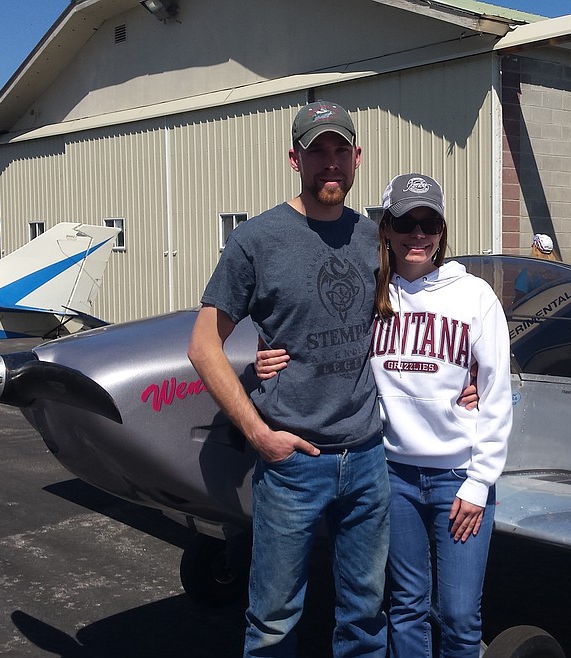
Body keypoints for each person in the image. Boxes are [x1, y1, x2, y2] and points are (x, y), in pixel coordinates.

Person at [258, 173, 512, 658]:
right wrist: (263, 355)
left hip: (459, 479)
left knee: (460, 617)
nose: (418, 234)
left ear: (441, 231)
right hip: (391, 475)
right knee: (406, 606)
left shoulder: (474, 296)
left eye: (429, 223)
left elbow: (498, 393)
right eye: (405, 222)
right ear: (387, 230)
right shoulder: (369, 294)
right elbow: (313, 337)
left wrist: (480, 483)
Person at [188, 100, 389, 658]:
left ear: (356, 158)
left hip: (369, 456)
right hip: (293, 461)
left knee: (366, 618)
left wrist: (465, 379)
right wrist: (258, 434)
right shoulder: (257, 240)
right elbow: (204, 346)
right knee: (274, 621)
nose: (330, 162)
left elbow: (411, 322)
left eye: (339, 150)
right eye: (316, 150)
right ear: (294, 159)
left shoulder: (375, 238)